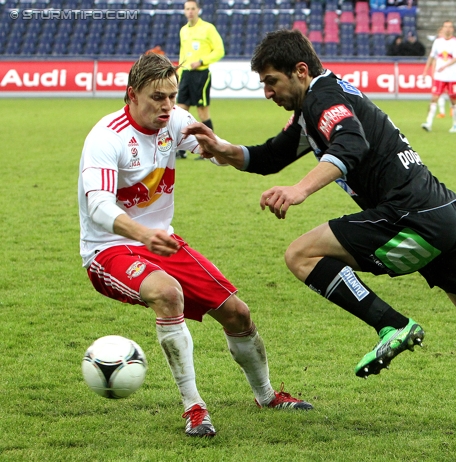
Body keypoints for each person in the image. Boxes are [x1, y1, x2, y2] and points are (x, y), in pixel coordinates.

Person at [184, 29, 456, 431]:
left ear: (300, 71)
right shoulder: (316, 106)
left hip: (411, 214)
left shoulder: (323, 99)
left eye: (271, 82)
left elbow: (350, 144)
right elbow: (272, 156)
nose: (267, 92)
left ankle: (392, 324)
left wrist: (300, 190)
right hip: (449, 212)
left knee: (301, 254)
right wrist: (224, 150)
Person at [78, 53, 313, 438]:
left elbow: (217, 153)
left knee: (237, 313)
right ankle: (194, 408)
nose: (167, 106)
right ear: (131, 94)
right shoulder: (107, 136)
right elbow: (98, 205)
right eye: (157, 97)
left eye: (172, 96)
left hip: (162, 242)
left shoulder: (177, 121)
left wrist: (218, 148)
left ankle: (267, 396)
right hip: (110, 247)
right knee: (168, 293)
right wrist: (141, 235)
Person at [177, 0, 224, 160]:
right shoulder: (183, 30)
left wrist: (202, 61)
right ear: (184, 11)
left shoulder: (208, 28)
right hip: (187, 75)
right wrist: (179, 72)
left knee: (202, 112)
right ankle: (181, 149)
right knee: (180, 112)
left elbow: (220, 50)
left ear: (198, 10)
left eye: (192, 9)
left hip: (201, 75)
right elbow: (183, 54)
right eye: (187, 9)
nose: (190, 11)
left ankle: (211, 148)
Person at [421, 20, 456, 133]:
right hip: (440, 76)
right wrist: (425, 71)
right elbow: (431, 57)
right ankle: (428, 123)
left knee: (453, 100)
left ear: (452, 29)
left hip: (452, 76)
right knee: (434, 98)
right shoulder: (438, 42)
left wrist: (445, 66)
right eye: (445, 27)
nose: (447, 29)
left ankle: (455, 125)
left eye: (450, 27)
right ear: (443, 29)